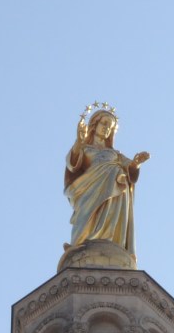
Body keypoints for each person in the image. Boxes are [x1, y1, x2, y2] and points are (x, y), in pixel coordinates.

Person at [64, 107, 150, 260]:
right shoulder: (84, 148)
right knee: (84, 222)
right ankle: (80, 247)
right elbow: (73, 164)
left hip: (114, 192)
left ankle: (111, 243)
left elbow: (130, 168)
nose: (106, 129)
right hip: (89, 191)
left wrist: (136, 163)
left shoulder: (115, 154)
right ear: (94, 125)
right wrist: (79, 140)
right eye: (104, 124)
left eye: (110, 127)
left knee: (117, 175)